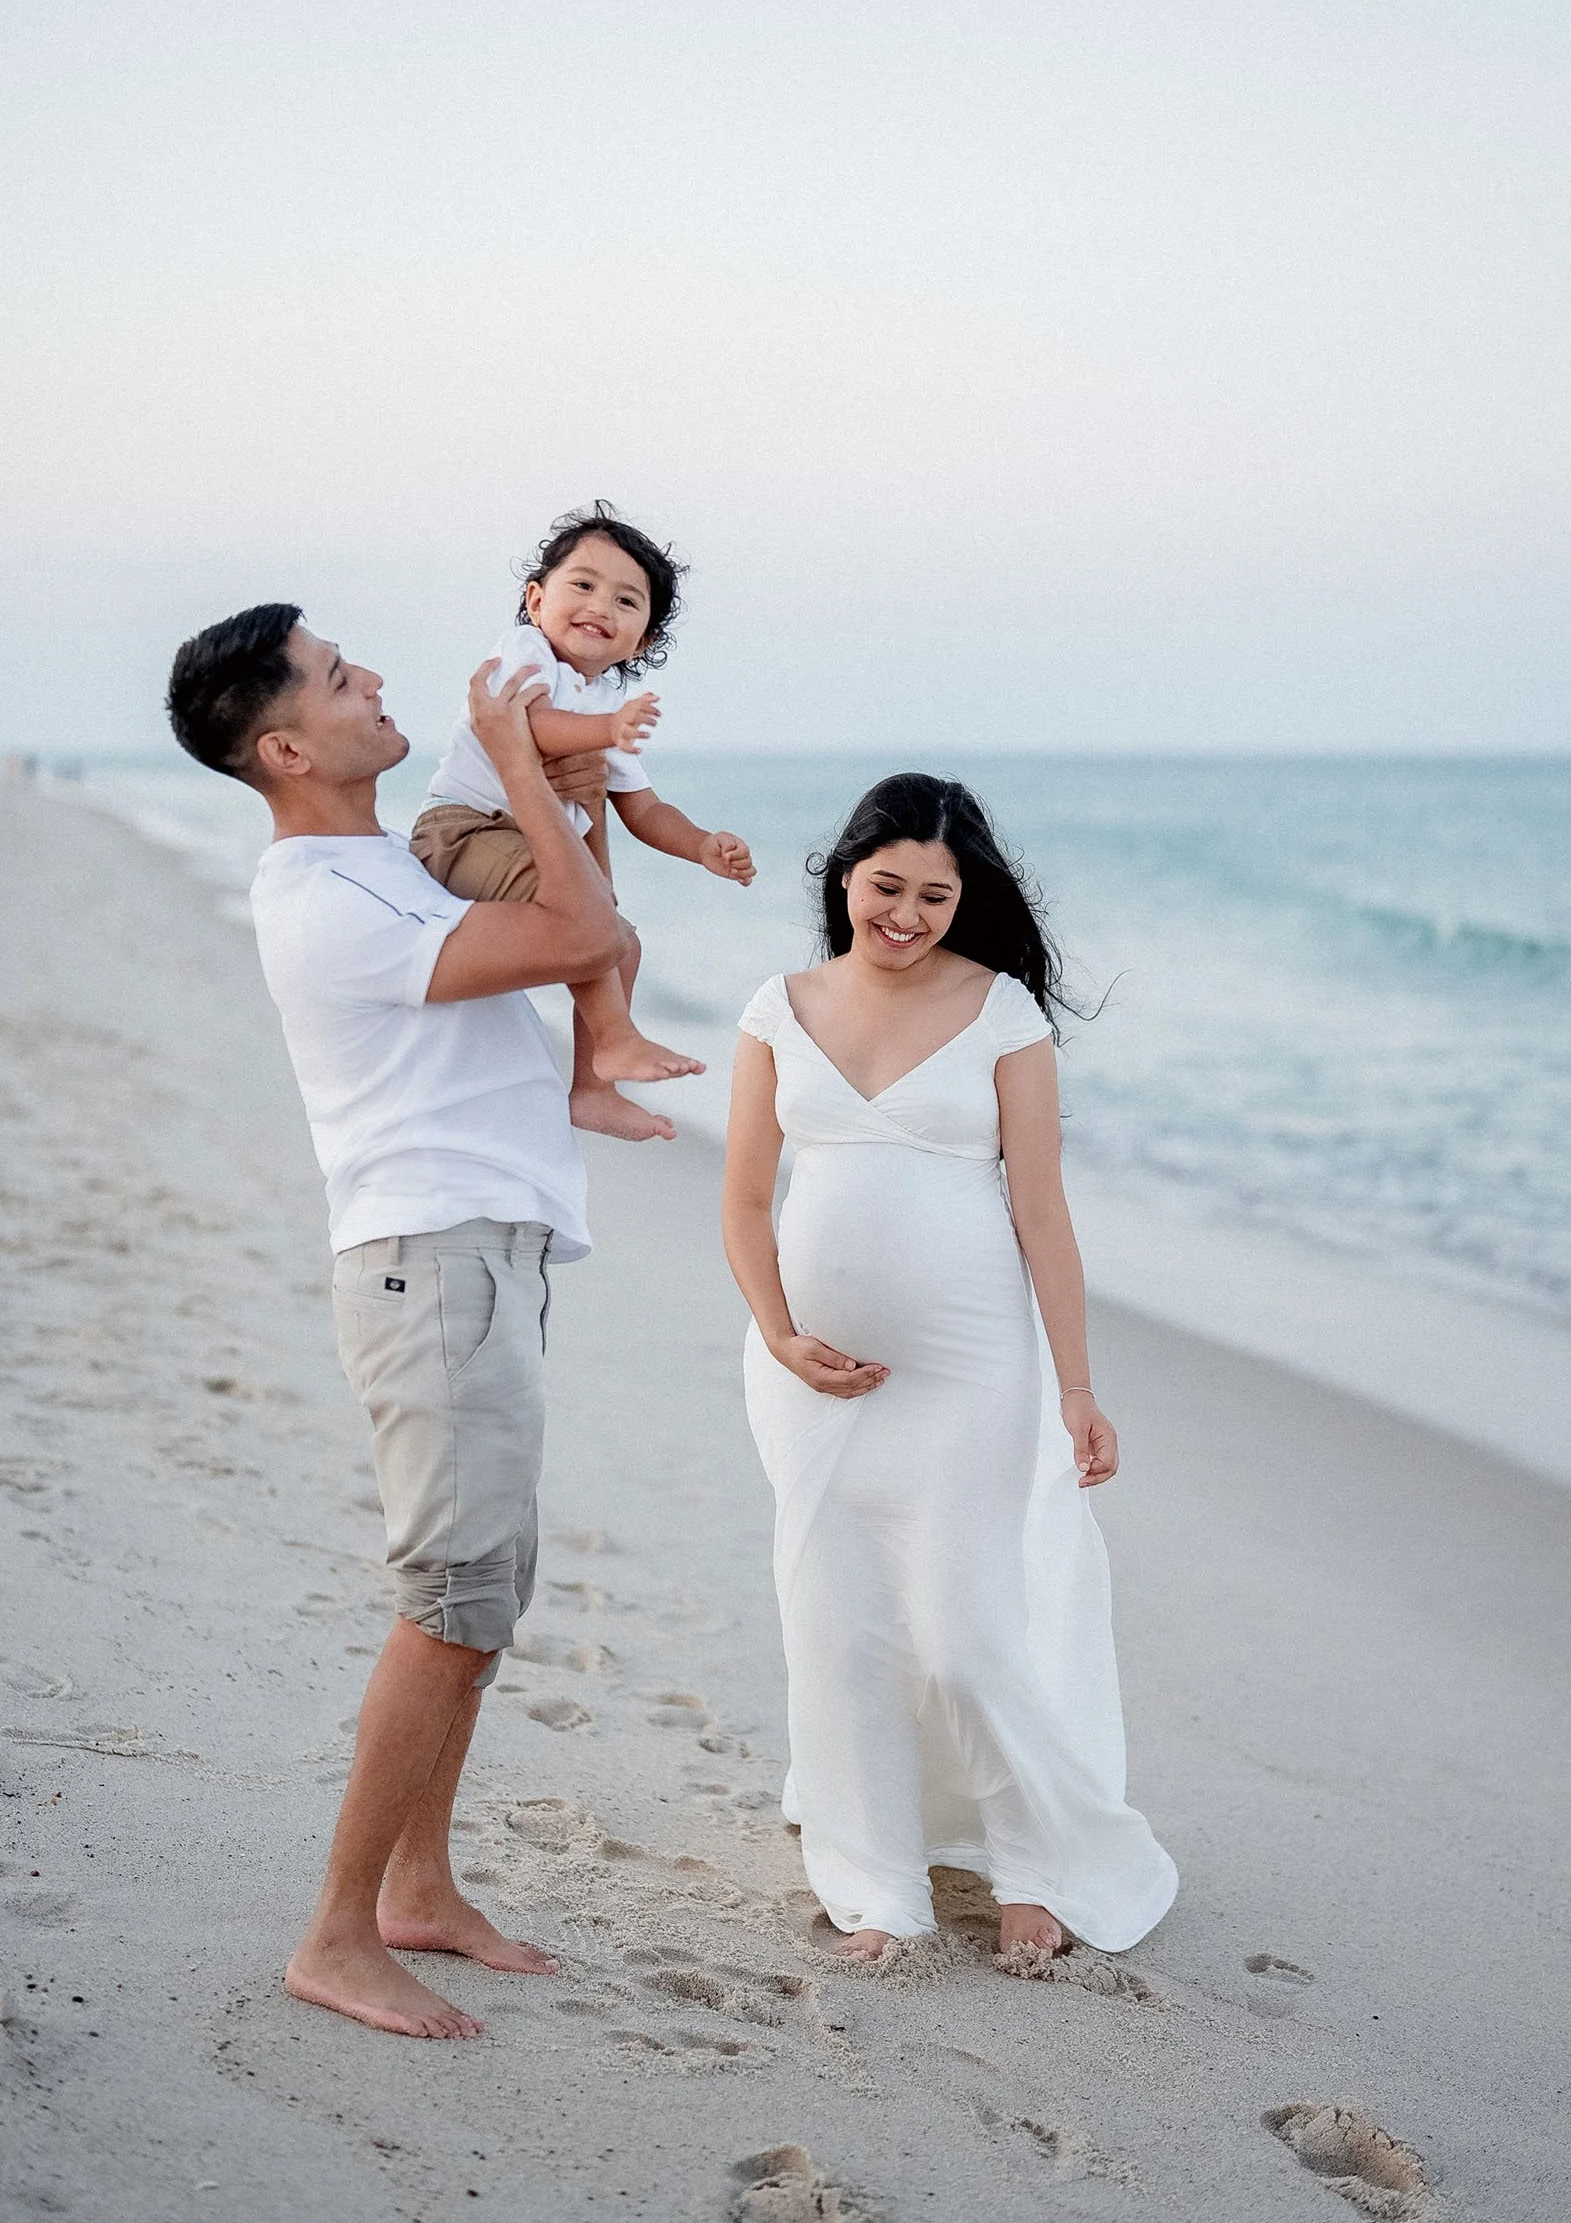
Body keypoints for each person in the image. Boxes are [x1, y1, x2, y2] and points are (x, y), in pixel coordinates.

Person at [167, 604, 628, 2039]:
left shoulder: (382, 866)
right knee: (447, 1603)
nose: (374, 679)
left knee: (486, 1597)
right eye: (336, 675)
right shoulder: (323, 905)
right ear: (288, 745)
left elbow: (577, 908)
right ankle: (333, 1931)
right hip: (427, 1266)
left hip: (478, 1250)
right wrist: (512, 745)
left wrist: (546, 779)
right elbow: (581, 934)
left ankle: (417, 1889)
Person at [722, 773, 1178, 1966]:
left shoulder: (1001, 1012)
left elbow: (1041, 1210)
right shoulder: (778, 1006)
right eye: (887, 887)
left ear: (963, 898)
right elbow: (740, 1198)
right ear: (843, 877)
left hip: (972, 1368)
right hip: (808, 1381)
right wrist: (777, 1331)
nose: (907, 914)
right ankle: (879, 1883)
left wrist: (1077, 1388)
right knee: (841, 1623)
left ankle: (1037, 1865)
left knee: (968, 1633)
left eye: (935, 894)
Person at [411, 503, 755, 1144]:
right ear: (535, 599)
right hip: (464, 832)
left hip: (534, 848)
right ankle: (618, 1037)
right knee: (593, 919)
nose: (601, 605)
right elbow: (526, 729)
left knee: (622, 939)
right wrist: (607, 732)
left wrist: (703, 845)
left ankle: (594, 1088)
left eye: (628, 601)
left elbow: (645, 810)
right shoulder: (525, 651)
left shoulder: (605, 707)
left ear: (644, 639)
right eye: (584, 585)